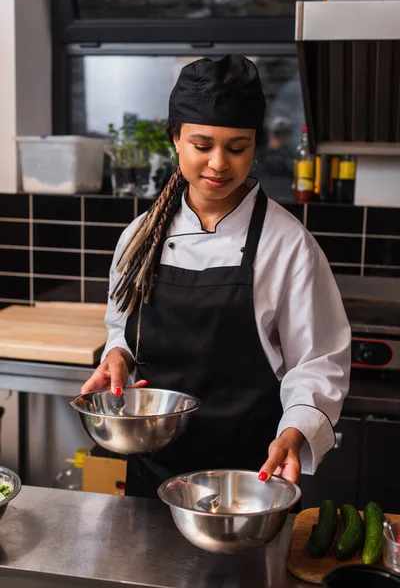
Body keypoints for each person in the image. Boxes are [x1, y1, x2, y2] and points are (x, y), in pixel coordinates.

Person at [81, 55, 351, 499]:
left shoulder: (287, 244)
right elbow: (123, 328)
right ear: (176, 139)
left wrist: (296, 432)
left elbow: (318, 362)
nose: (219, 164)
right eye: (202, 146)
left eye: (237, 148)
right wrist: (118, 357)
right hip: (152, 470)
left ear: (255, 146)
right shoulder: (141, 236)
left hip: (247, 479)